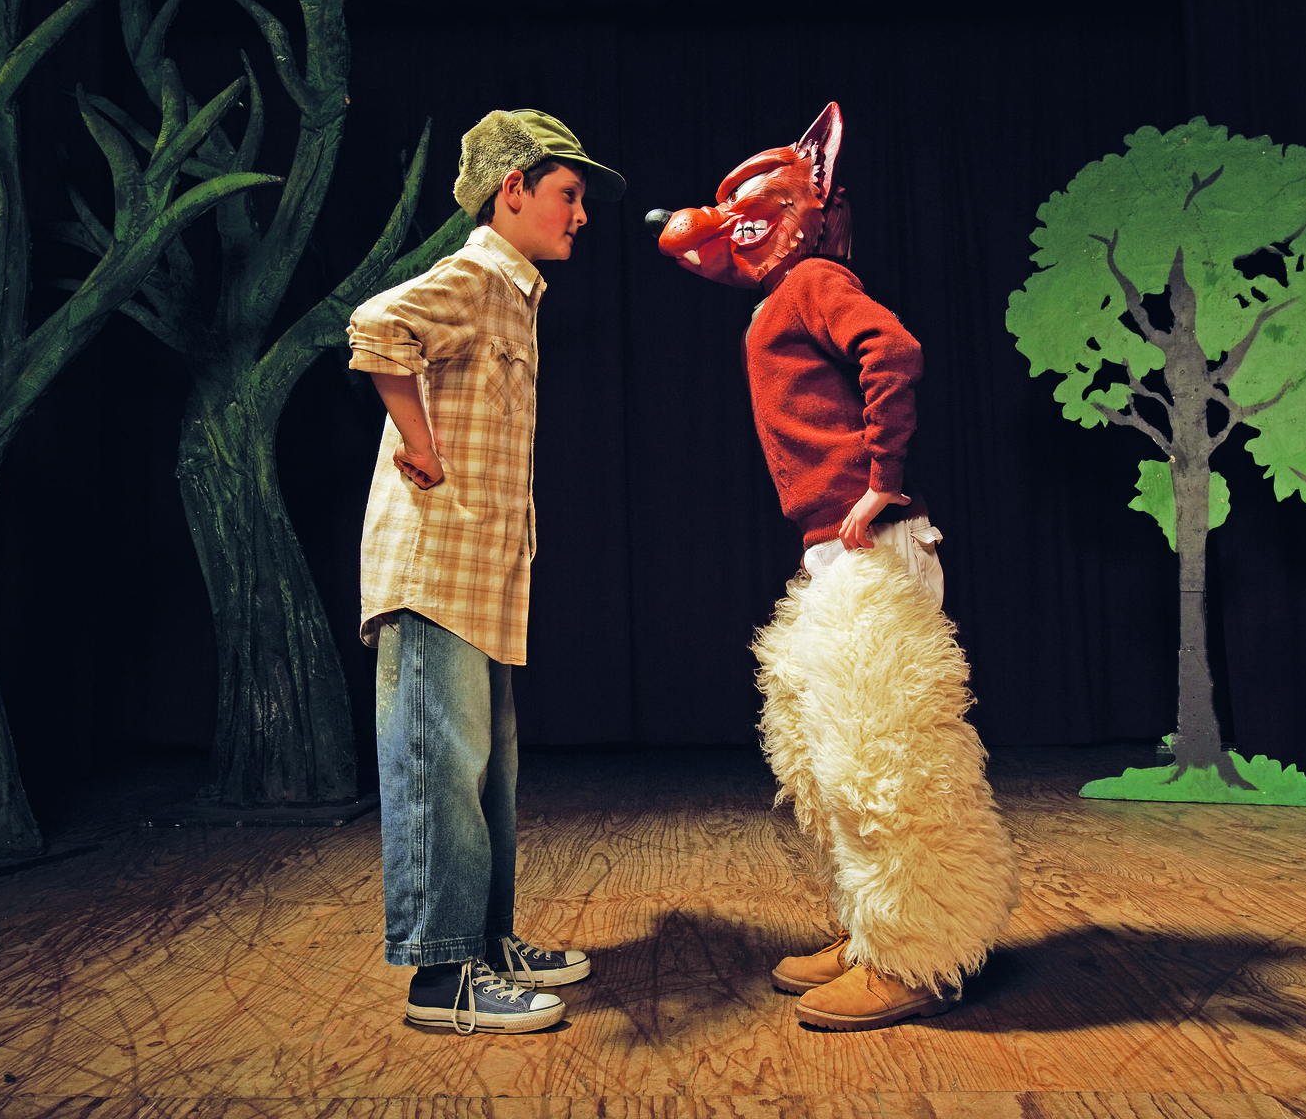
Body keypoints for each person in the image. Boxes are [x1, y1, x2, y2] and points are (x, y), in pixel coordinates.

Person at [649, 102, 1020, 1032]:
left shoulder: (813, 278)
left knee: (885, 758)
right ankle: (873, 930)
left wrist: (880, 481)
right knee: (828, 755)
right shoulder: (783, 294)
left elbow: (894, 351)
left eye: (753, 207)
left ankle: (917, 958)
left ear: (800, 212)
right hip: (831, 550)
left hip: (870, 543)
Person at [348, 109, 623, 1034]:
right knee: (441, 767)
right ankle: (442, 982)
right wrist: (417, 443)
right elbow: (377, 323)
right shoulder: (473, 276)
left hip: (482, 575)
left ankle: (486, 947)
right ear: (515, 191)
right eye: (568, 195)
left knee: (487, 774)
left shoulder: (517, 293)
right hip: (434, 568)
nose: (581, 214)